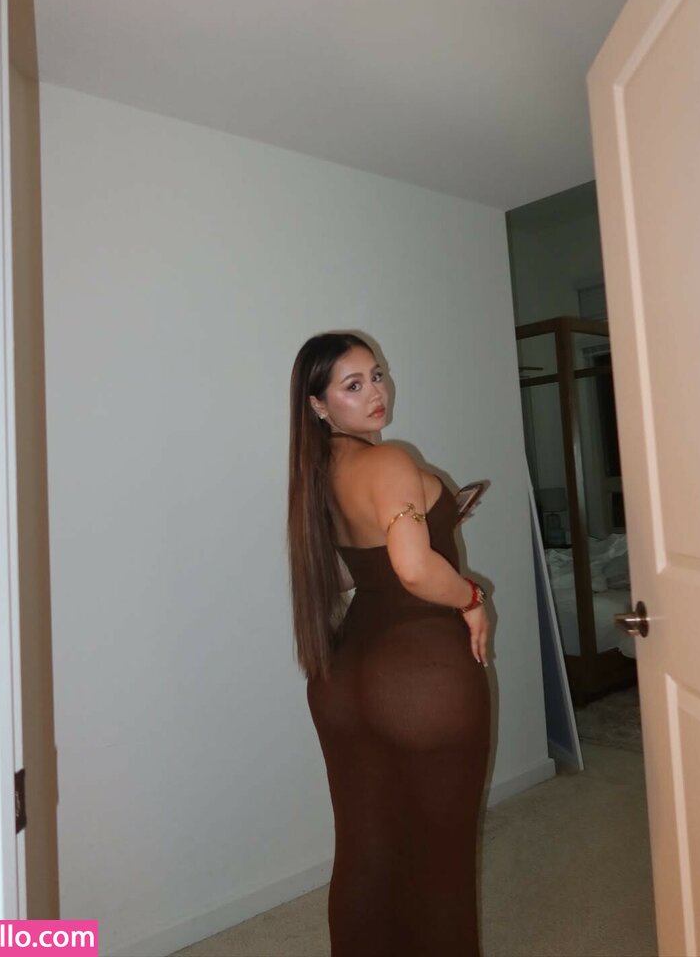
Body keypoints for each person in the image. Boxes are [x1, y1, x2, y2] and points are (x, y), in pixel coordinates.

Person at [287, 331, 492, 957]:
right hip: (418, 673)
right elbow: (413, 570)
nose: (377, 392)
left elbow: (351, 572)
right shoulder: (390, 462)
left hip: (343, 674)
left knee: (364, 849)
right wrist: (472, 597)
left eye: (377, 375)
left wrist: (437, 519)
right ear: (319, 405)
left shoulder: (316, 474)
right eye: (353, 385)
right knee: (442, 857)